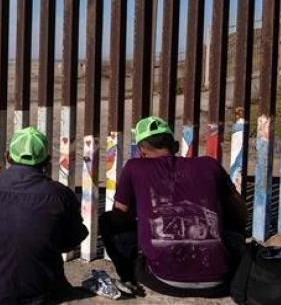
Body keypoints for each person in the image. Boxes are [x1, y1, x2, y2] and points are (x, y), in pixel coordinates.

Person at [100, 116, 247, 298]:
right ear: (176, 146)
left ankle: (128, 277)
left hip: (163, 280)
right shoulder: (209, 165)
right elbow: (241, 215)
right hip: (220, 281)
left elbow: (119, 217)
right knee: (231, 212)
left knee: (107, 220)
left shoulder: (134, 167)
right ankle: (235, 265)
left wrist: (143, 221)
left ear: (141, 151)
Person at [0, 127, 88, 304]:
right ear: (47, 161)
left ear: (8, 156)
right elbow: (73, 239)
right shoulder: (60, 195)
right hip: (41, 288)